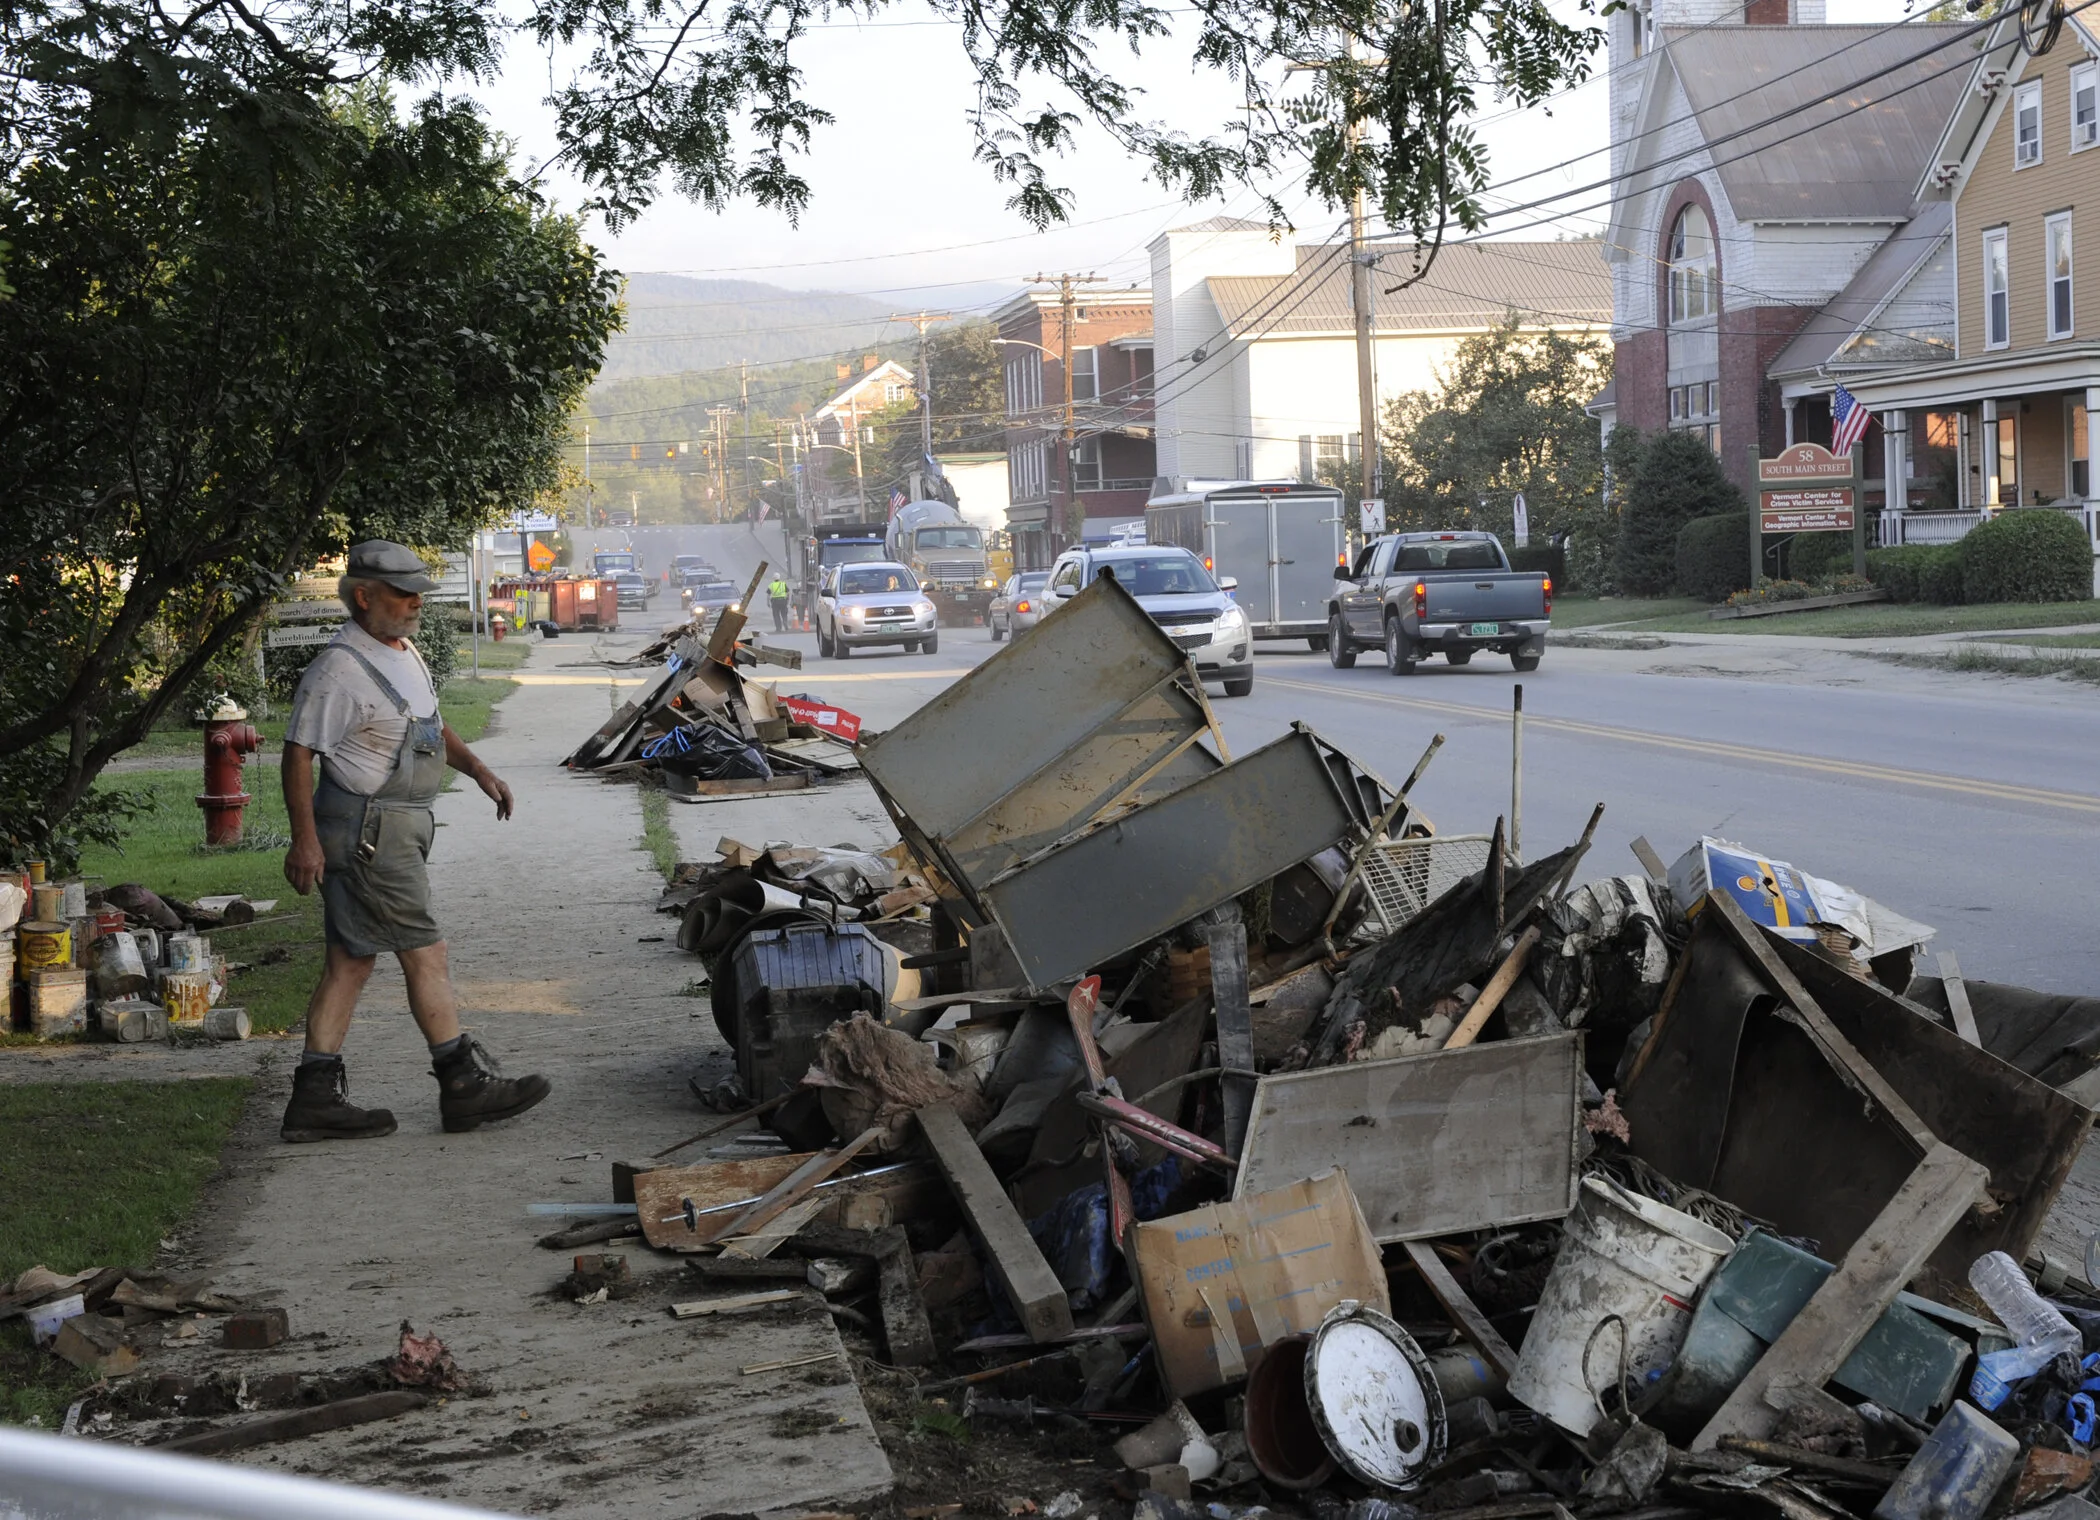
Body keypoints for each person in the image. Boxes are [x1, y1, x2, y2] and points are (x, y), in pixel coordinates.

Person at [277, 540, 552, 1144]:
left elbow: (429, 723)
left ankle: (314, 1099)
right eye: (403, 594)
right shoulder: (338, 670)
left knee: (350, 963)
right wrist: (305, 843)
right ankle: (462, 1084)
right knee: (427, 952)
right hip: (369, 834)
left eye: (418, 593)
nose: (415, 603)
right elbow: (297, 755)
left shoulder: (402, 652)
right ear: (363, 596)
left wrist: (479, 770)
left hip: (396, 826)